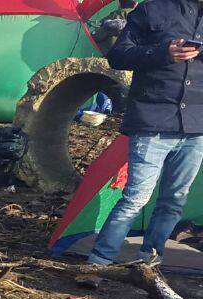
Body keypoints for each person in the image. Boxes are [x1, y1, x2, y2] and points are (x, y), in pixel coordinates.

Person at [86, 0, 203, 267]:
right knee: (135, 198)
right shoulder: (152, 10)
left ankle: (149, 261)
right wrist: (164, 52)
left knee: (174, 200)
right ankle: (98, 263)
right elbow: (119, 55)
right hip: (153, 120)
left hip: (196, 126)